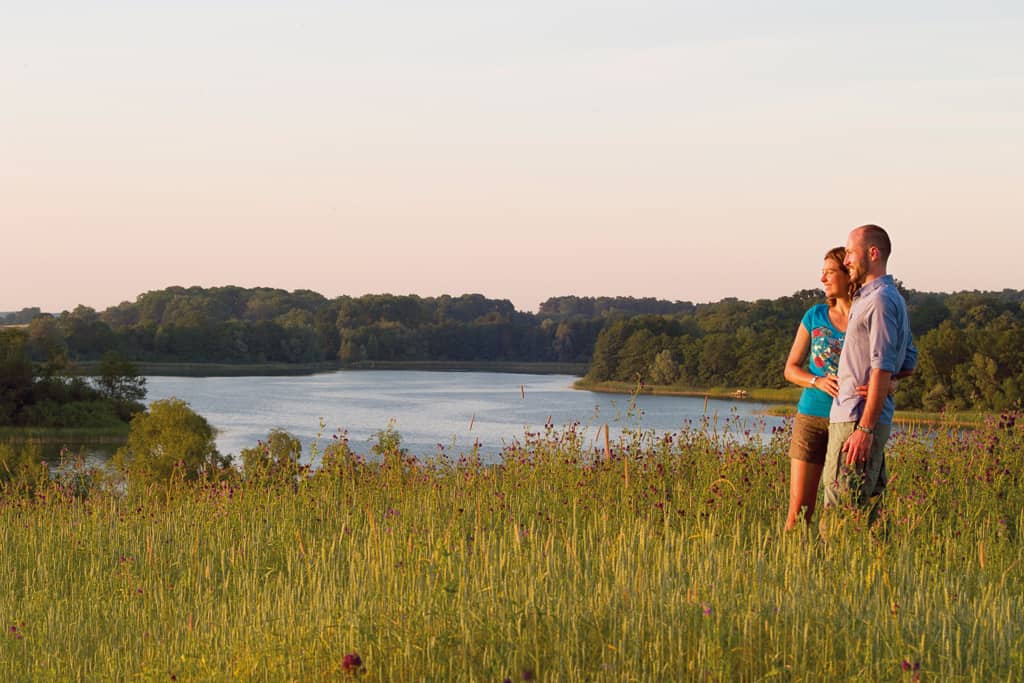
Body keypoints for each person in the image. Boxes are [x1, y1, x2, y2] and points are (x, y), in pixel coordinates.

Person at [820, 224, 917, 523]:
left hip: (856, 420)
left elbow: (883, 366)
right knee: (868, 510)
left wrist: (864, 429)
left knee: (840, 509)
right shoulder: (886, 298)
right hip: (862, 418)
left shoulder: (879, 301)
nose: (846, 259)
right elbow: (909, 362)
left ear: (873, 253)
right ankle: (870, 569)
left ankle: (835, 568)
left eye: (850, 252)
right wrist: (887, 384)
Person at [783, 247, 851, 530]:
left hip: (848, 421)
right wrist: (817, 381)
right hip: (811, 417)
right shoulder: (815, 315)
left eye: (830, 271)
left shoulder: (865, 317)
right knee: (799, 513)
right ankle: (789, 566)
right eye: (822, 272)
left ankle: (830, 566)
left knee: (841, 509)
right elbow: (791, 369)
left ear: (849, 274)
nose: (822, 278)